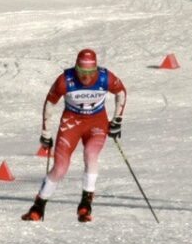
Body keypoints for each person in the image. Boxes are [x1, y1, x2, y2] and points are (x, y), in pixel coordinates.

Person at [22, 49, 126, 222]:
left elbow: (121, 92)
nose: (86, 77)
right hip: (71, 123)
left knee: (90, 155)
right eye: (82, 72)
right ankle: (38, 206)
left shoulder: (104, 78)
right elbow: (49, 103)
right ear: (76, 68)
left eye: (90, 72)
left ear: (96, 69)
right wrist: (46, 134)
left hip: (97, 124)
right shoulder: (65, 80)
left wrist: (117, 121)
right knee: (60, 168)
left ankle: (86, 203)